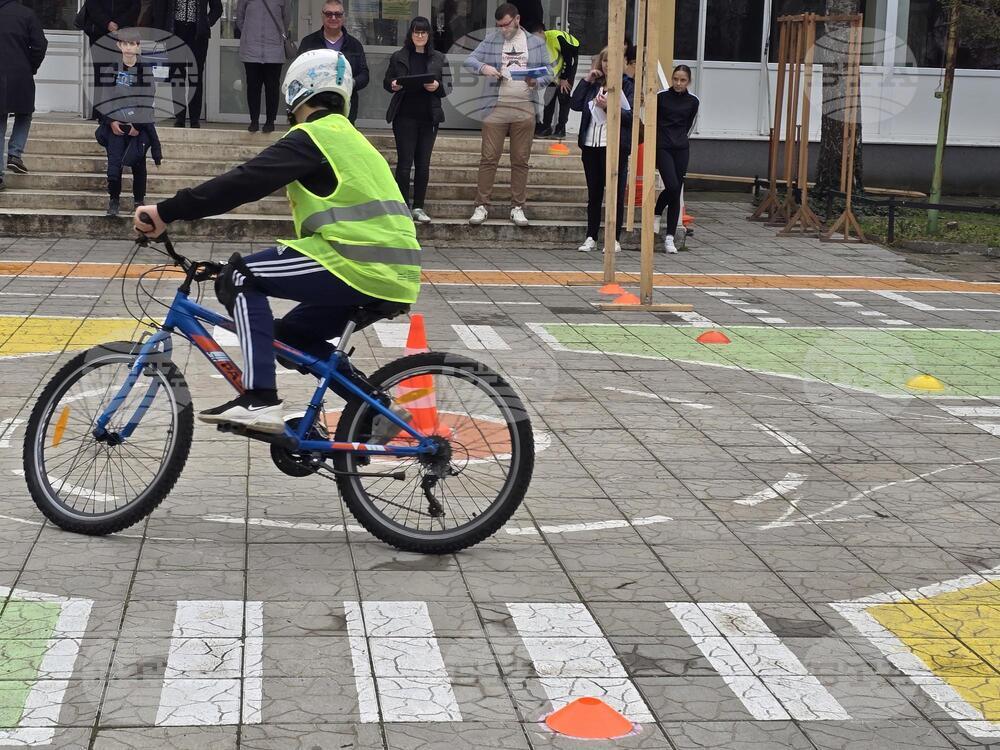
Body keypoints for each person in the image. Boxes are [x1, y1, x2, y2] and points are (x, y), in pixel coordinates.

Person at [133, 50, 421, 433]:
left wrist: (166, 211)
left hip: (353, 261)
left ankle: (259, 400)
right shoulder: (354, 140)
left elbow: (246, 181)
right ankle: (377, 410)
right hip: (395, 272)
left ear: (297, 92)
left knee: (240, 277)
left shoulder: (314, 136)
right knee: (290, 336)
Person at [463, 3, 550, 228]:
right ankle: (481, 205)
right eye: (500, 25)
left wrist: (536, 81)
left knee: (520, 160)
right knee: (489, 157)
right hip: (496, 107)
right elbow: (469, 60)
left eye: (507, 24)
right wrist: (484, 68)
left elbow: (549, 72)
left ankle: (517, 207)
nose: (503, 29)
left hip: (524, 107)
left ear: (517, 19)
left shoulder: (535, 42)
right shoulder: (492, 40)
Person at [570, 45, 634, 254]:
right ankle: (591, 236)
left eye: (612, 61)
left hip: (614, 146)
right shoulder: (593, 84)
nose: (607, 65)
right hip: (591, 144)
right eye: (605, 60)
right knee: (594, 193)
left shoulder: (627, 84)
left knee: (615, 193)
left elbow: (630, 117)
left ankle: (614, 238)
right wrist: (587, 79)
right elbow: (575, 104)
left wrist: (609, 106)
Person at [384, 16, 447, 225]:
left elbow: (448, 88)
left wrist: (437, 86)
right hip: (404, 116)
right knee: (404, 163)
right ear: (410, 34)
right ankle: (402, 206)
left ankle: (419, 206)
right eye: (416, 32)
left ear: (429, 35)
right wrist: (393, 84)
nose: (420, 36)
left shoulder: (439, 58)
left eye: (423, 32)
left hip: (429, 117)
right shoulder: (399, 56)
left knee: (423, 164)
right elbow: (387, 81)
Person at [94, 27, 162, 216]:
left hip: (137, 126)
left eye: (132, 44)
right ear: (119, 45)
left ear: (138, 46)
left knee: (138, 165)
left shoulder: (145, 71)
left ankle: (138, 201)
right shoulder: (111, 69)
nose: (129, 48)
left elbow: (148, 99)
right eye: (125, 44)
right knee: (114, 161)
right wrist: (111, 121)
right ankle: (113, 200)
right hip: (115, 125)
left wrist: (136, 124)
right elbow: (105, 98)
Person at [152, 0, 224, 128]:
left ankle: (194, 118)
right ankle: (179, 117)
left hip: (197, 34)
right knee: (177, 76)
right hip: (176, 31)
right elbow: (160, 8)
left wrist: (206, 22)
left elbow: (217, 8)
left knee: (195, 76)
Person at [0, 0, 47, 191]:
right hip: (20, 74)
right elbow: (40, 45)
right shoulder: (26, 14)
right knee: (25, 113)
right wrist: (31, 67)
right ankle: (15, 153)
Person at [297, 0, 369, 124]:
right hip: (314, 105)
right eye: (329, 14)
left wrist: (351, 82)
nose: (333, 17)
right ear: (322, 16)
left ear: (344, 17)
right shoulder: (308, 43)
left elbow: (364, 74)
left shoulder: (354, 45)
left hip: (345, 105)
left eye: (338, 14)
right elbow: (298, 72)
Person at [654, 64, 699, 254]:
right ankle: (656, 211)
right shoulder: (661, 97)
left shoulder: (693, 101)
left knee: (676, 190)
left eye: (682, 80)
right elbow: (653, 121)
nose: (678, 83)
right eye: (675, 79)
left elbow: (690, 124)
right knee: (672, 186)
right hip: (663, 146)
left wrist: (681, 139)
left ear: (688, 81)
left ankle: (670, 237)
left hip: (681, 147)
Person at [236, 0, 291, 133]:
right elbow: (240, 19)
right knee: (253, 87)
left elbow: (286, 18)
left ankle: (270, 121)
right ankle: (254, 121)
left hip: (274, 49)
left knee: (272, 87)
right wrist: (250, 34)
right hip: (251, 49)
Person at [82, 0, 139, 120]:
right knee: (100, 73)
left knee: (120, 73)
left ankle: (118, 112)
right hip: (99, 32)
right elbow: (92, 6)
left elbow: (135, 7)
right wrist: (107, 23)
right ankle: (99, 112)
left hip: (123, 35)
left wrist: (119, 24)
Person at [533, 23, 578, 139]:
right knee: (549, 96)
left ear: (542, 32)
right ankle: (546, 127)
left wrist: (564, 78)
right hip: (555, 68)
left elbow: (569, 59)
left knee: (563, 95)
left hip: (570, 63)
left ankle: (561, 128)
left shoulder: (556, 38)